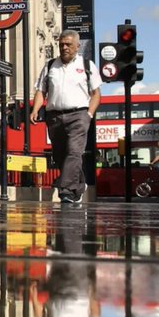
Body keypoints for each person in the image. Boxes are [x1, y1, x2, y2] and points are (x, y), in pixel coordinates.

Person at [30, 29, 101, 204]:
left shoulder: (87, 65)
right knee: (60, 155)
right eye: (61, 44)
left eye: (68, 44)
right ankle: (79, 185)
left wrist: (89, 115)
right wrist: (34, 109)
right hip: (54, 116)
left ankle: (66, 191)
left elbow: (96, 94)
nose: (64, 47)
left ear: (77, 46)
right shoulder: (49, 65)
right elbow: (41, 91)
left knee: (74, 151)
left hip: (79, 115)